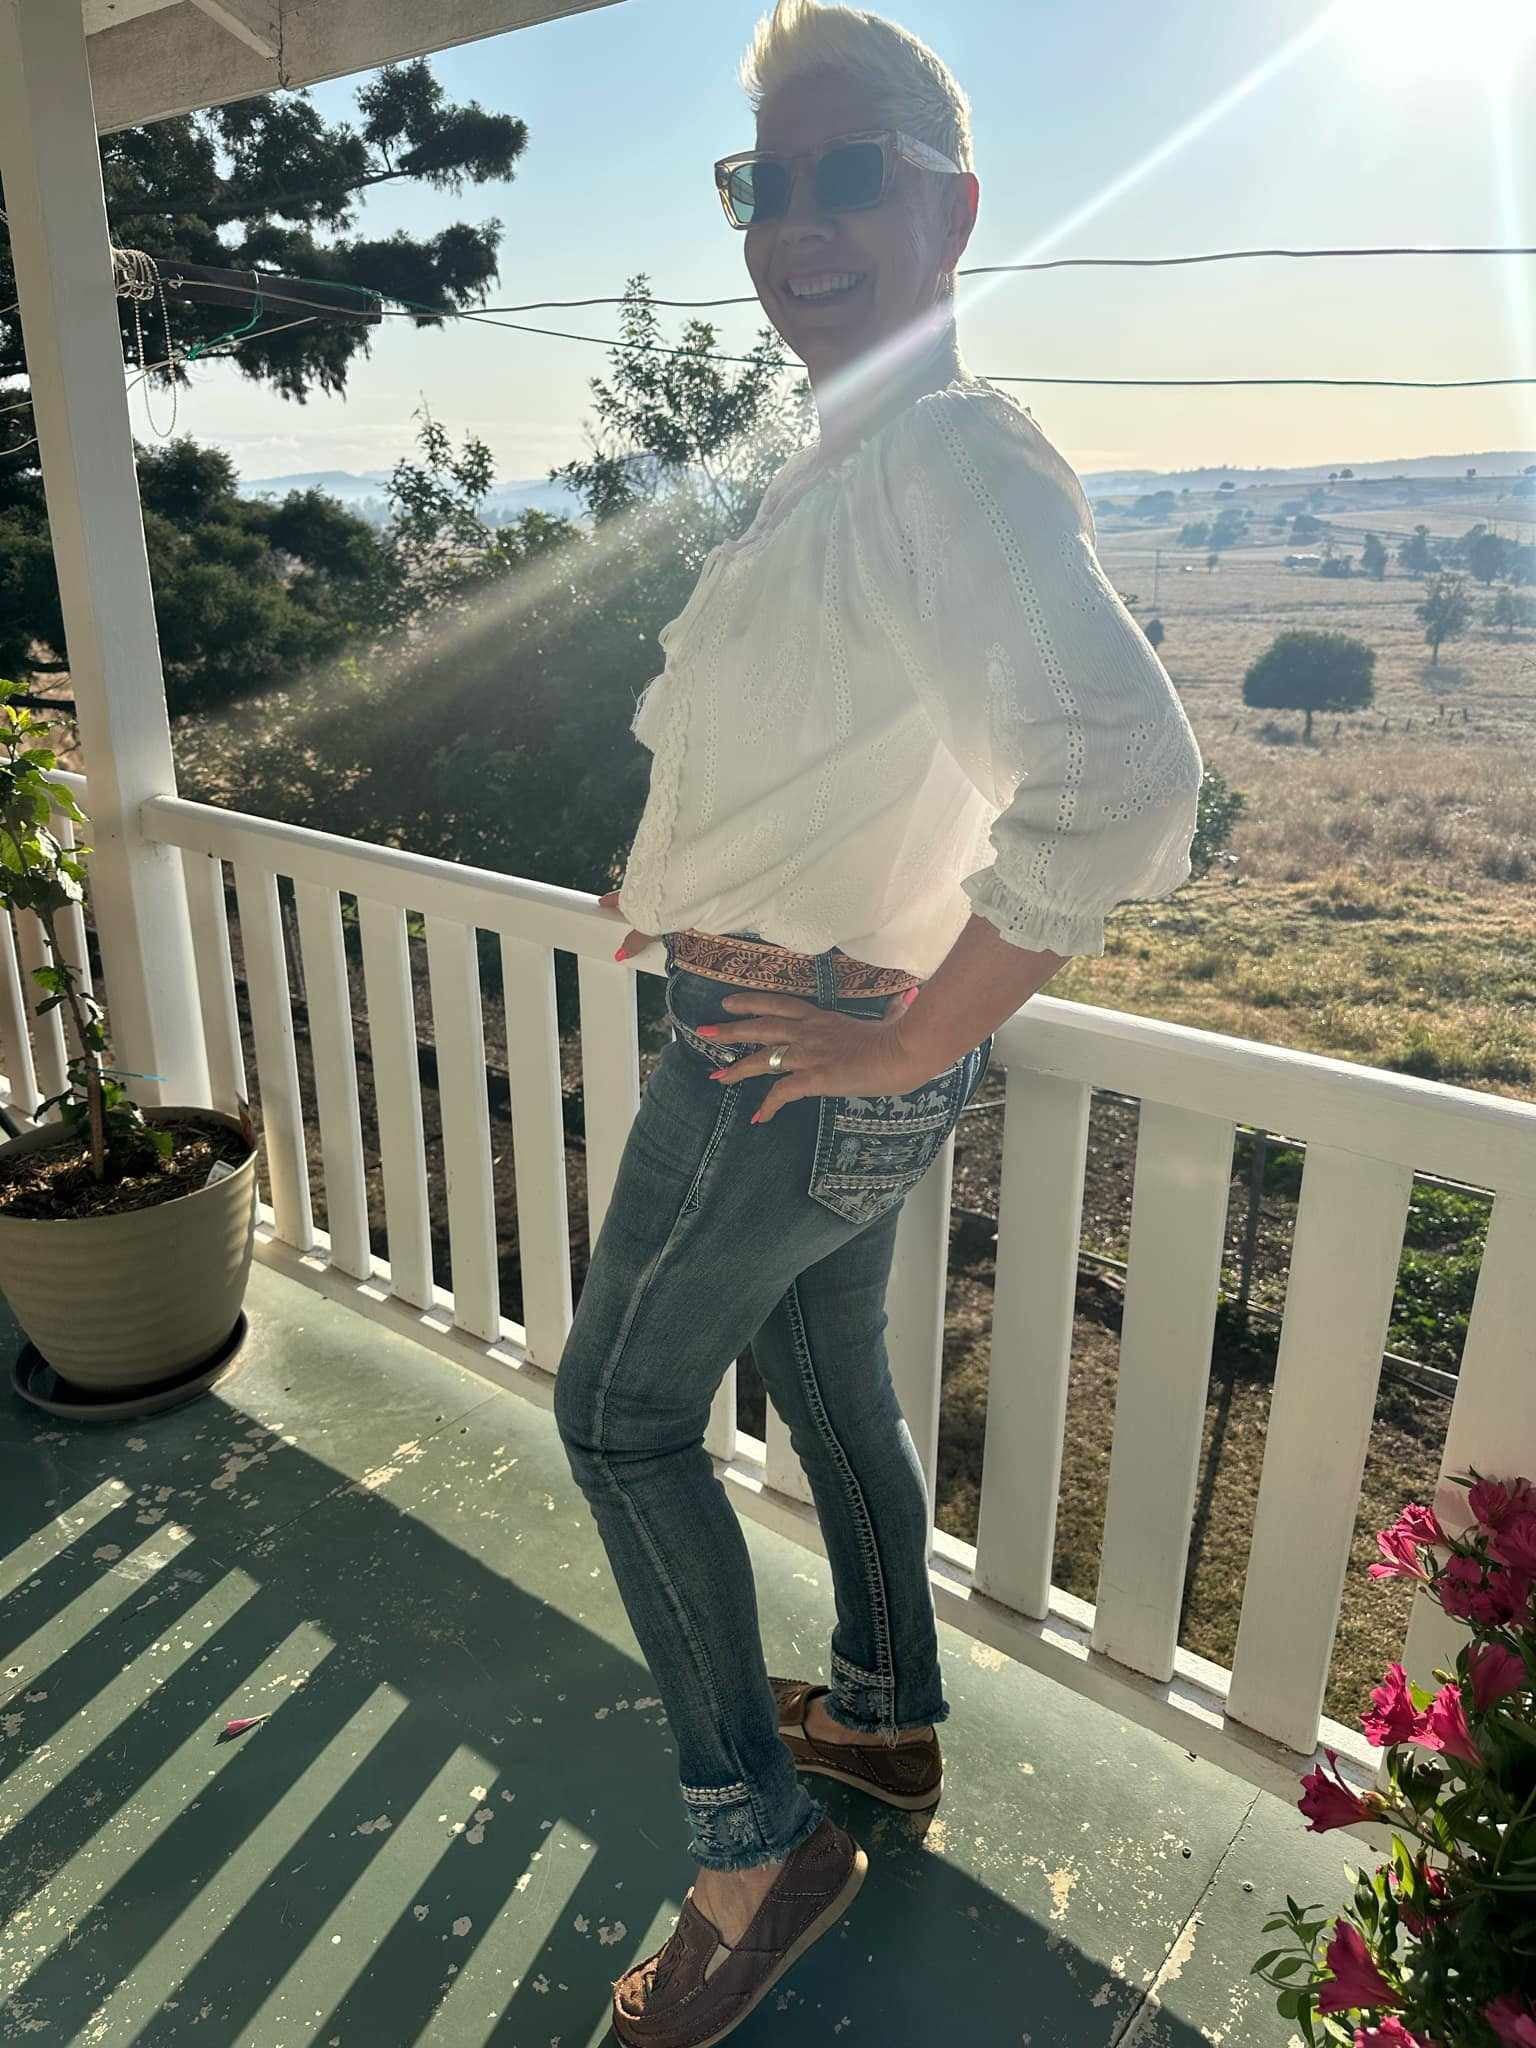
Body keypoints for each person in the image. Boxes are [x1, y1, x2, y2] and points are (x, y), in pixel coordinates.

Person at [553, 4, 1205, 2040]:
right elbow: (847, 758)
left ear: (955, 210)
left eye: (853, 174)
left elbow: (1124, 775)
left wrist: (919, 1036)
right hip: (817, 1033)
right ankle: (888, 1716)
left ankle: (754, 1851)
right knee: (832, 1378)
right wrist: (676, 888)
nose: (799, 223)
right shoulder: (850, 460)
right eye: (764, 185)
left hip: (794, 1059)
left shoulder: (941, 457)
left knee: (616, 1416)